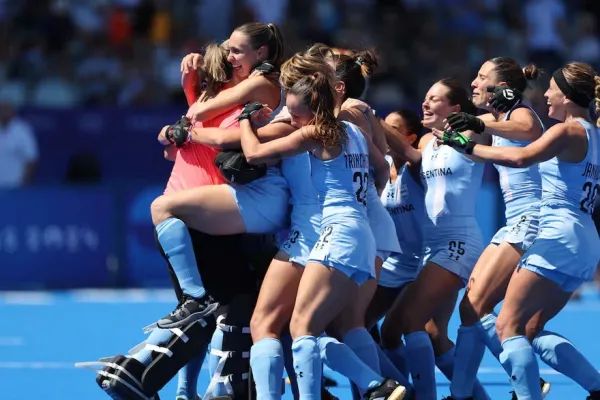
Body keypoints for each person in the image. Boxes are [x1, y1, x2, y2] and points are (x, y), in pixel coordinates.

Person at [239, 66, 407, 400]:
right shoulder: (352, 131)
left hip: (338, 231)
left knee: (302, 329)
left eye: (297, 115)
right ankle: (377, 385)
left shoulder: (314, 133)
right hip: (358, 231)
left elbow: (253, 153)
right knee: (316, 328)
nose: (294, 121)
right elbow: (382, 168)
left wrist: (245, 119)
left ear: (313, 112)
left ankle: (375, 384)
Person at [436, 61, 600, 400]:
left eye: (553, 90)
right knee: (526, 328)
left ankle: (519, 389)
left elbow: (523, 149)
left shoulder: (559, 127)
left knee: (506, 325)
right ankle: (594, 386)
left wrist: (467, 141)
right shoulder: (590, 134)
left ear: (568, 96)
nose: (547, 96)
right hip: (582, 238)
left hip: (551, 231)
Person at [148, 21, 293, 329]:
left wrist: (188, 125)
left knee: (256, 313)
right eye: (227, 51)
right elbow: (180, 136)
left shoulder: (260, 83)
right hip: (251, 195)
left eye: (236, 51)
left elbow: (201, 117)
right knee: (242, 312)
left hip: (260, 196)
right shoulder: (249, 83)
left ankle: (194, 300)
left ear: (261, 52)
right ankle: (194, 304)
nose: (229, 58)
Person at [441, 57, 551, 400]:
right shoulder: (497, 118)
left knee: (492, 313)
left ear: (502, 87)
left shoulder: (522, 112)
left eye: (481, 77)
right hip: (513, 221)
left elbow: (528, 130)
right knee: (471, 308)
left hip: (530, 218)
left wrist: (476, 123)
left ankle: (526, 384)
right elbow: (468, 135)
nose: (474, 82)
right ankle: (465, 394)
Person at [379, 78, 489, 400]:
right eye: (425, 97)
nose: (425, 104)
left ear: (455, 108)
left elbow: (506, 126)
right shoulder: (428, 142)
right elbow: (408, 152)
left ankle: (423, 396)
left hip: (459, 240)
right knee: (431, 331)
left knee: (411, 321)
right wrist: (368, 118)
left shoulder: (473, 133)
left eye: (434, 99)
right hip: (433, 246)